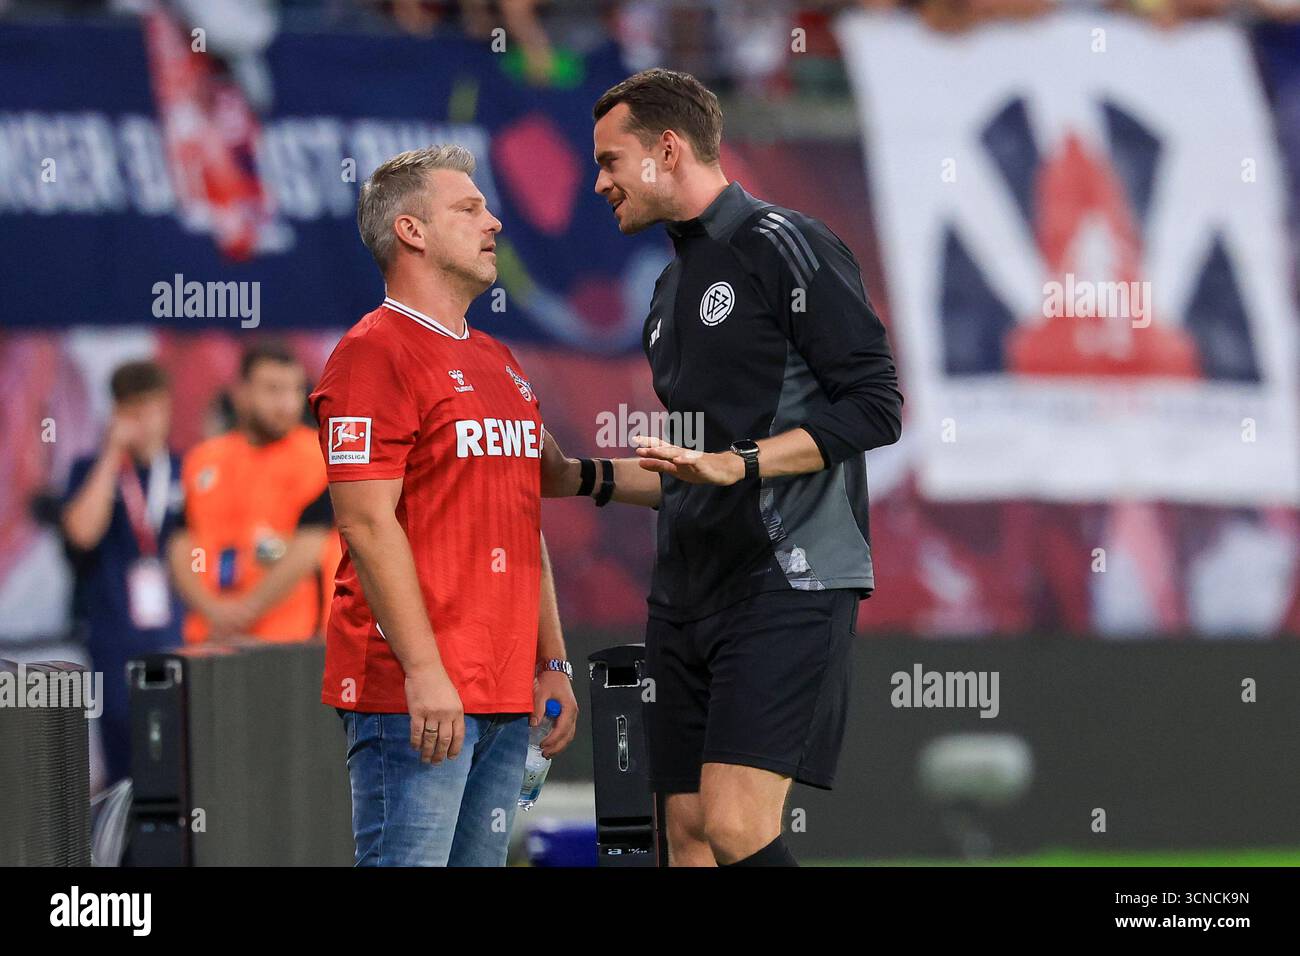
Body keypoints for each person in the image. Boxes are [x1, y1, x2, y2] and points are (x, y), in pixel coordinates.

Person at [542, 68, 904, 866]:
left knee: (739, 826)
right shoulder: (669, 290)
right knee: (690, 837)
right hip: (686, 591)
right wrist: (581, 477)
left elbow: (876, 406)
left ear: (667, 150)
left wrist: (742, 465)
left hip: (788, 576)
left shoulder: (787, 243)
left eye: (609, 160)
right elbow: (694, 469)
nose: (597, 182)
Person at [309, 145, 578, 867]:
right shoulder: (372, 353)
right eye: (468, 208)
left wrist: (553, 660)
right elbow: (366, 522)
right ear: (411, 231)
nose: (493, 221)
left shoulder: (501, 360)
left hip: (500, 689)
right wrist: (426, 671)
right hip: (413, 692)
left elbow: (523, 518)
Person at [61, 360, 185, 787]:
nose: (146, 422)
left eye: (154, 408)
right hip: (114, 639)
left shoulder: (186, 471)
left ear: (168, 408)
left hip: (177, 636)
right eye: (134, 411)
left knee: (180, 758)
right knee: (123, 765)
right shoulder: (90, 471)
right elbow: (81, 532)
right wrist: (112, 453)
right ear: (117, 412)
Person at [168, 343, 337, 643]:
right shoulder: (203, 459)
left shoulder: (320, 457)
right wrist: (212, 611)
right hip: (210, 637)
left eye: (295, 390)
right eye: (273, 390)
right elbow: (181, 542)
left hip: (293, 641)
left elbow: (309, 548)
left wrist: (244, 612)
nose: (287, 403)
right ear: (241, 393)